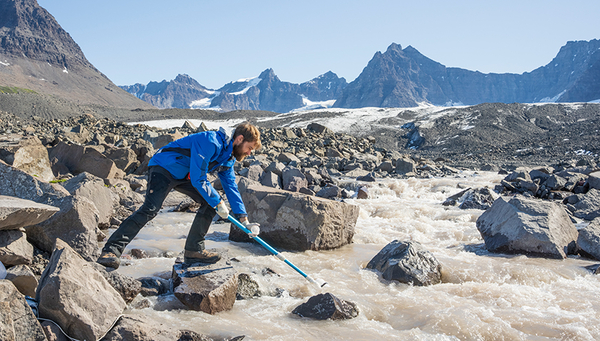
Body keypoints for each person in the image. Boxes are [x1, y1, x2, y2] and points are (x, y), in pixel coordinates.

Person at [97, 122, 261, 269]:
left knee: (210, 204)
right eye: (250, 148)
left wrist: (243, 219)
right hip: (164, 167)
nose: (249, 153)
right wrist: (218, 202)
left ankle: (193, 250)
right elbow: (199, 178)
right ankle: (110, 250)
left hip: (184, 175)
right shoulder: (211, 141)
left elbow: (231, 186)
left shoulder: (228, 157)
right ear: (239, 139)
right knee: (150, 209)